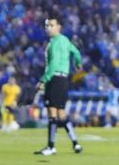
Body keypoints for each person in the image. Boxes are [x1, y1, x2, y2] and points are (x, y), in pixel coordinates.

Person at [34, 13, 83, 155]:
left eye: (51, 25)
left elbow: (53, 63)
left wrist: (44, 79)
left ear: (59, 27)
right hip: (64, 79)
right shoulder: (65, 40)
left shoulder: (54, 42)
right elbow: (76, 52)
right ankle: (75, 143)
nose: (49, 28)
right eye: (47, 26)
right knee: (61, 113)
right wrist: (78, 63)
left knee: (52, 112)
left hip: (54, 79)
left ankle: (51, 146)